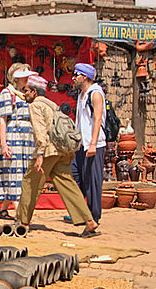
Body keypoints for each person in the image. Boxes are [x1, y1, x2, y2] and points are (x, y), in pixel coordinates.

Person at [17, 75, 100, 237]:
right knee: (67, 184)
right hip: (62, 151)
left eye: (26, 90)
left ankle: (22, 222)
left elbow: (40, 131)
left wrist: (40, 154)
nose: (24, 94)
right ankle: (89, 221)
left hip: (48, 151)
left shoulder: (35, 105)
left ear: (34, 92)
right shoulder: (52, 104)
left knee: (30, 183)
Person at [0, 63, 36, 219]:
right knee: (15, 172)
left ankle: (3, 209)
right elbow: (3, 119)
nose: (26, 79)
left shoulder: (25, 94)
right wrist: (4, 144)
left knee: (23, 172)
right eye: (23, 77)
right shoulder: (7, 93)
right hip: (14, 135)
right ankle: (20, 214)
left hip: (27, 137)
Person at [71, 62, 106, 225]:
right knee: (76, 177)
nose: (73, 78)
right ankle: (80, 212)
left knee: (92, 182)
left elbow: (98, 119)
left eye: (76, 75)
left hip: (94, 144)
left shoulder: (95, 93)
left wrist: (93, 144)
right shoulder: (81, 95)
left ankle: (94, 217)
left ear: (84, 77)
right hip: (81, 144)